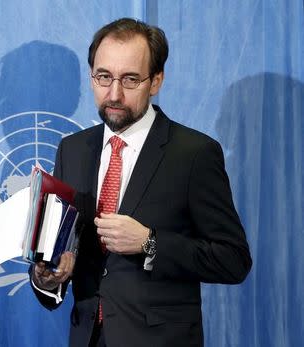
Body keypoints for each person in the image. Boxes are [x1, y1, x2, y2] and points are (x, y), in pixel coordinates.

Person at [30, 17, 252, 347]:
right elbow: (58, 255)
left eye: (130, 79)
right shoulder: (72, 150)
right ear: (92, 77)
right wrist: (47, 276)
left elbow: (233, 260)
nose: (114, 93)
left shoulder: (194, 154)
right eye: (104, 77)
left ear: (156, 80)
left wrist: (150, 242)